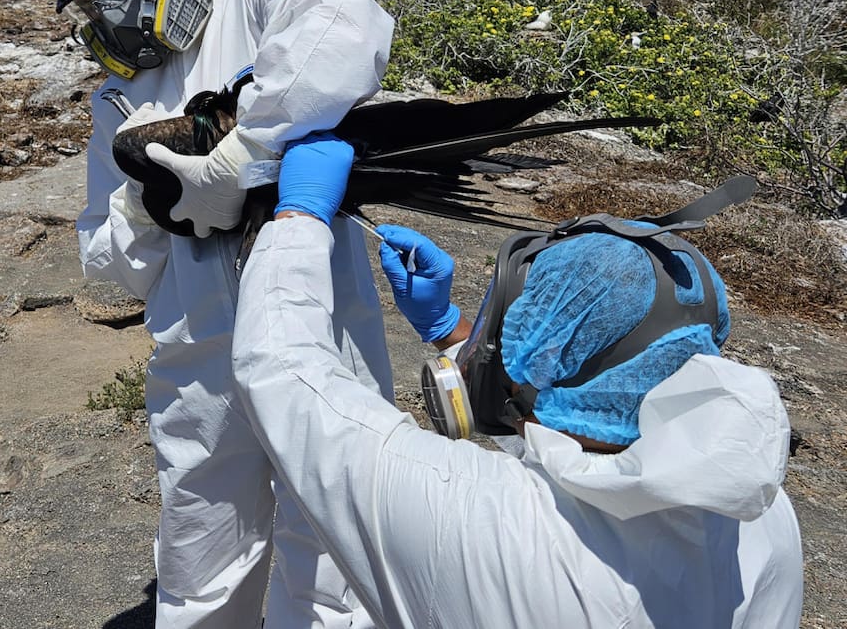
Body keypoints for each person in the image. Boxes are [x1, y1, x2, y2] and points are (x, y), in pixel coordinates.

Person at [232, 133, 804, 628]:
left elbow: (284, 372)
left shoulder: (465, 516)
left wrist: (300, 219)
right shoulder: (760, 511)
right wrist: (451, 333)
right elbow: (590, 468)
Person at [25, 0, 396, 628]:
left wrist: (243, 155)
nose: (118, 10)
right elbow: (109, 264)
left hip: (317, 329)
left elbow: (351, 29)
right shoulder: (114, 98)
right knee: (199, 550)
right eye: (95, 3)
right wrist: (147, 204)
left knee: (329, 544)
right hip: (198, 354)